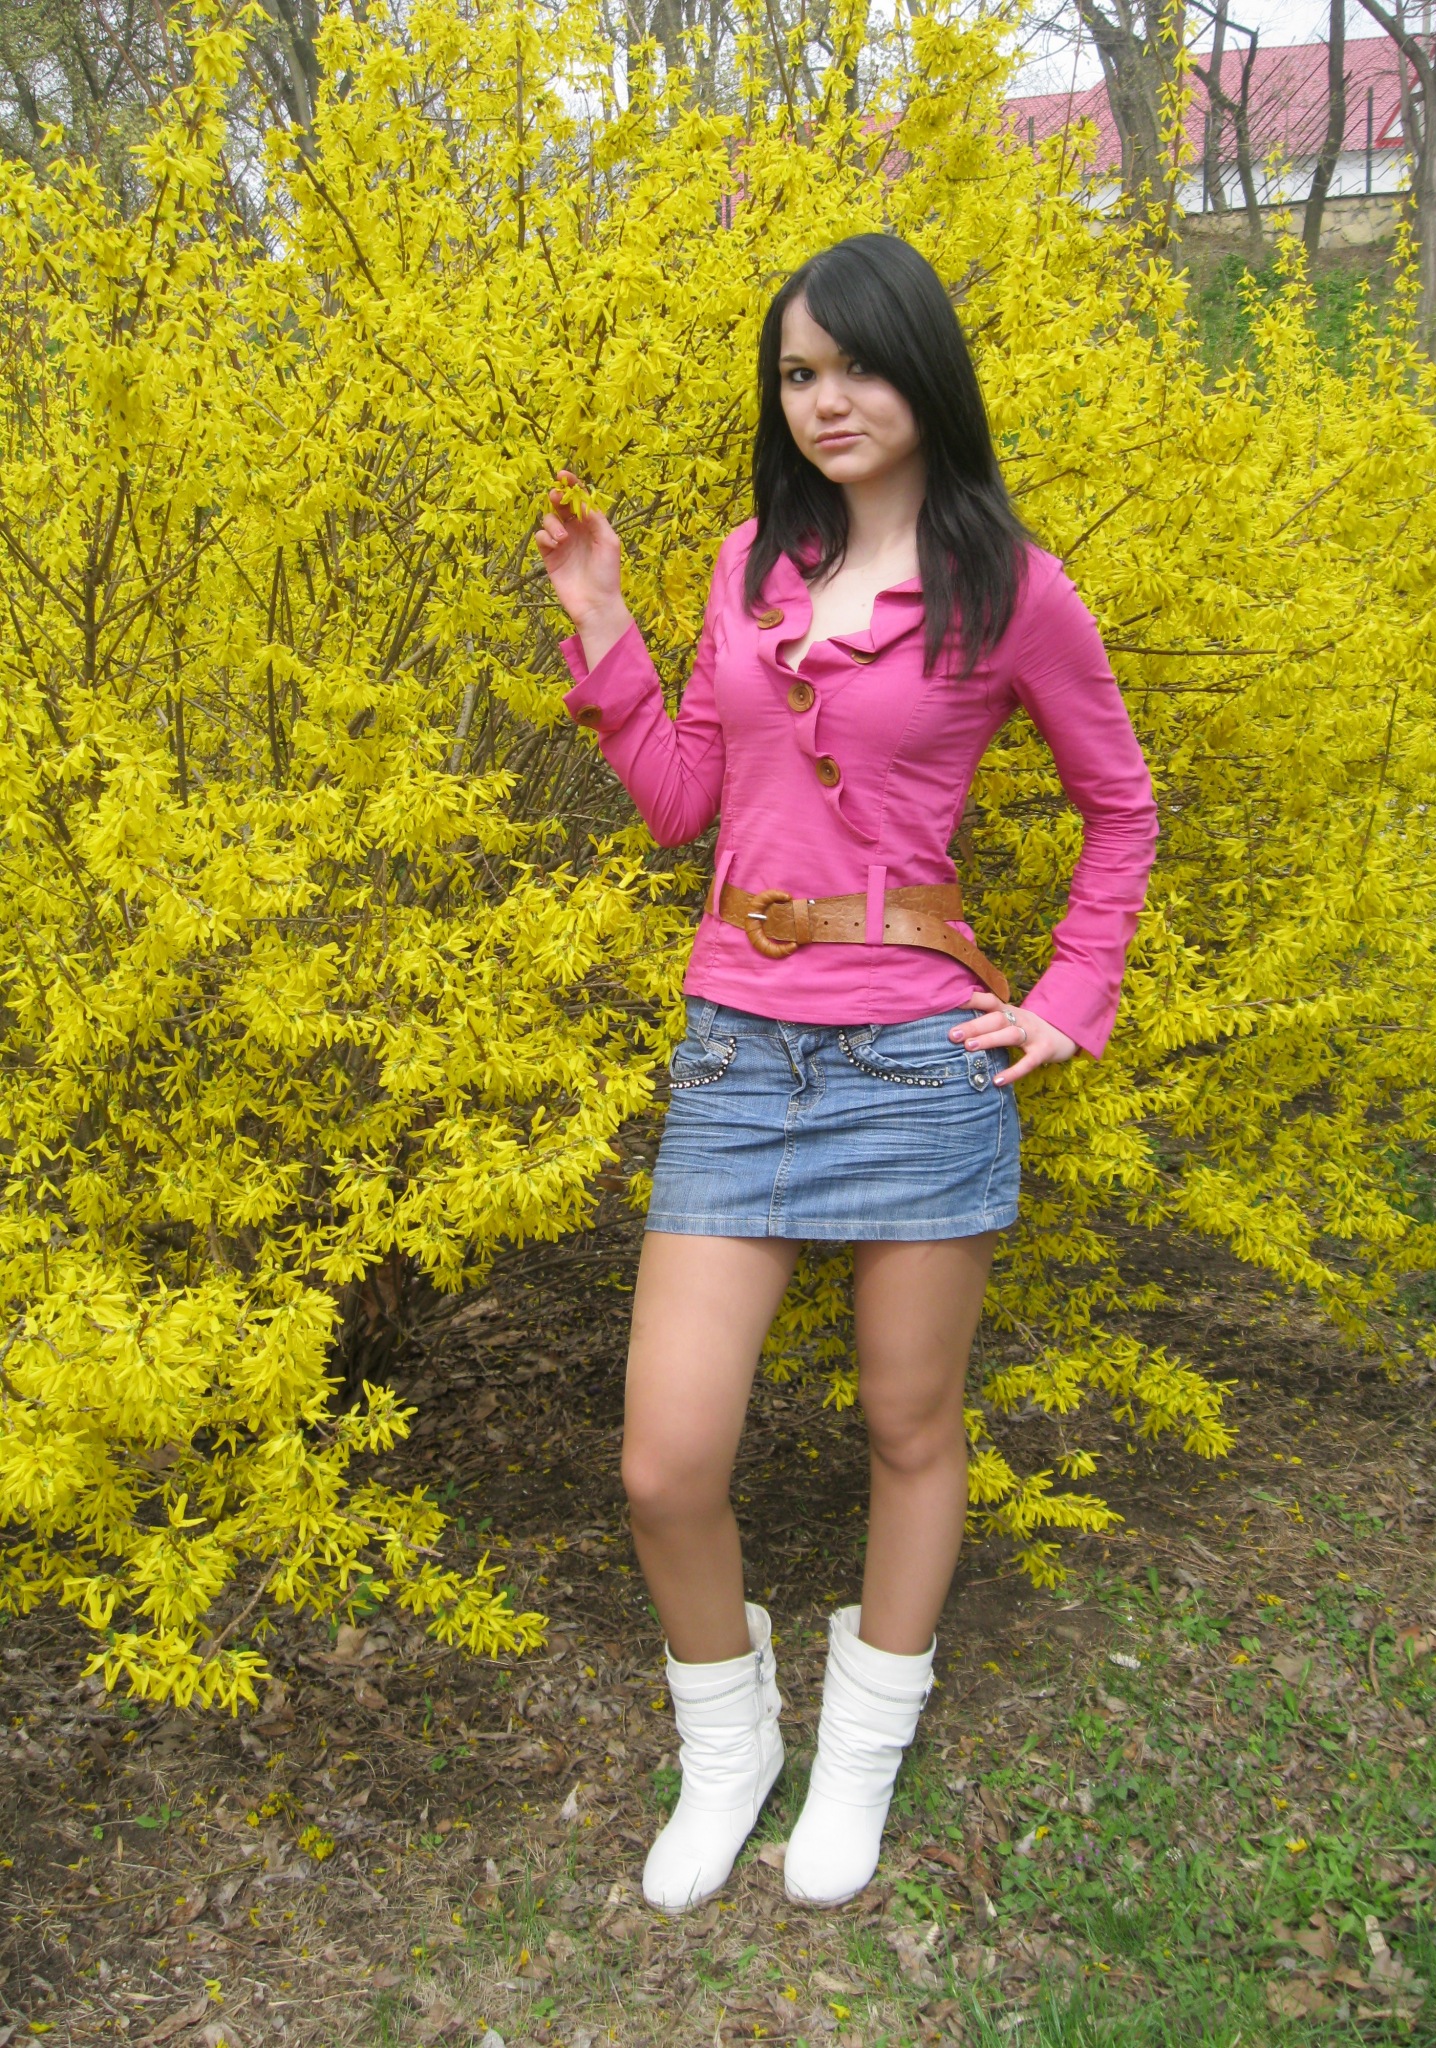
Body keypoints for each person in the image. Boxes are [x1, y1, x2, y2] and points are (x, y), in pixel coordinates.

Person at [534, 232, 1158, 1916]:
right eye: (799, 374)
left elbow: (1121, 808)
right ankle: (728, 1751)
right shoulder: (752, 563)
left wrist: (1071, 995)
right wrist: (604, 622)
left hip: (915, 1057)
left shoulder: (1013, 589)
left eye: (858, 365)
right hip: (740, 1046)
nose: (827, 400)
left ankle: (861, 1758)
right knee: (666, 1461)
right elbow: (686, 802)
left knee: (908, 1424)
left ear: (925, 372)